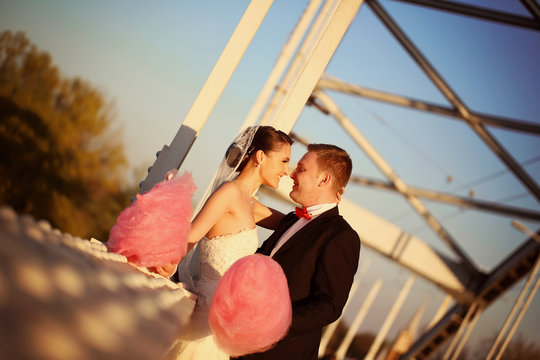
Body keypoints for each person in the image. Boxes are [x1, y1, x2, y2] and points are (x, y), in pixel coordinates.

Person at [164, 125, 293, 360]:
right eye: (284, 161)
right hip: (207, 314)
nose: (287, 170)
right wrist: (165, 267)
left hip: (225, 320)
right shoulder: (229, 193)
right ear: (261, 156)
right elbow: (190, 238)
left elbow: (292, 224)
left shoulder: (251, 204)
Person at [239, 143, 361, 360]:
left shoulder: (341, 236)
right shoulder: (291, 219)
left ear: (324, 180)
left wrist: (273, 327)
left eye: (301, 169)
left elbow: (329, 305)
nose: (291, 174)